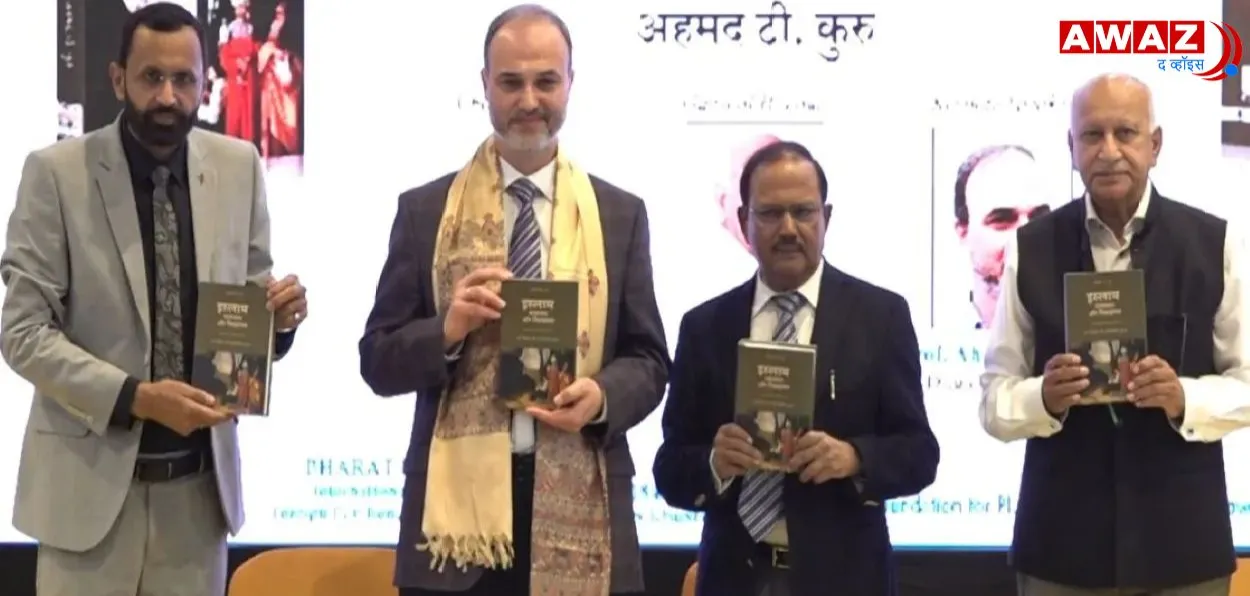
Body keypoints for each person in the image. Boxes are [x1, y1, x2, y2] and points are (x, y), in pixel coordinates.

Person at [357, 4, 670, 596]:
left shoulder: (619, 215)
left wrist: (602, 397)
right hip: (455, 529)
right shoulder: (426, 212)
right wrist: (445, 332)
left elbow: (650, 360)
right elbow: (377, 359)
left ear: (571, 84)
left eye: (546, 80)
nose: (530, 99)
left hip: (584, 508)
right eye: (511, 82)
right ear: (484, 86)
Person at [0, 4, 308, 595]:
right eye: (151, 78)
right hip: (85, 506)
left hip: (197, 504)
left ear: (203, 82)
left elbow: (246, 305)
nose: (168, 96)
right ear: (118, 79)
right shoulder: (55, 174)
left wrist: (280, 323)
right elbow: (23, 334)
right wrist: (137, 398)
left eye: (183, 79)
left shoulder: (239, 166)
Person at [980, 73, 1250, 596]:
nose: (1108, 152)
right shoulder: (1031, 248)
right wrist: (1043, 397)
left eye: (1125, 133)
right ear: (1071, 147)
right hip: (1059, 548)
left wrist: (1184, 397)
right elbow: (994, 400)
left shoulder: (1214, 243)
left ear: (1155, 145)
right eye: (1092, 135)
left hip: (1182, 549)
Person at [653, 139, 940, 596]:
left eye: (803, 212)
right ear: (743, 221)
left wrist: (854, 458)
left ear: (827, 216)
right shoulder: (705, 326)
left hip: (846, 578)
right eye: (769, 213)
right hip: (733, 577)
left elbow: (920, 454)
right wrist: (714, 462)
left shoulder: (880, 316)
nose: (788, 228)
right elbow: (669, 468)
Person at [953, 144, 1051, 329]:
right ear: (963, 232)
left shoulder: (1079, 334)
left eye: (1039, 217)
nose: (1026, 236)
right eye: (1002, 220)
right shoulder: (938, 343)